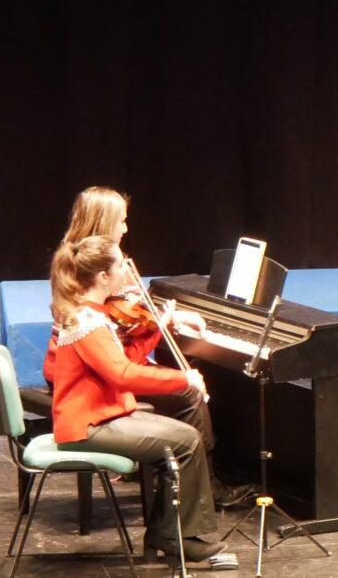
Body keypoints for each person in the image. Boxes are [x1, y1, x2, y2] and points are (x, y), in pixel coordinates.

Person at [43, 187, 252, 510]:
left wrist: (164, 320)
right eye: (122, 221)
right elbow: (121, 363)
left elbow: (127, 327)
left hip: (99, 365)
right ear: (104, 221)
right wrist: (159, 330)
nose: (126, 228)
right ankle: (196, 486)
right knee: (188, 395)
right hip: (83, 380)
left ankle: (168, 474)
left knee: (180, 390)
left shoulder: (92, 261)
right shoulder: (90, 270)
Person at [49, 235, 228, 561]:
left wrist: (157, 326)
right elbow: (122, 374)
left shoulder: (94, 314)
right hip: (88, 426)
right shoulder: (85, 322)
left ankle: (166, 533)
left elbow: (126, 359)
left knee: (186, 438)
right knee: (187, 442)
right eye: (120, 264)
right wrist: (183, 378)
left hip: (104, 414)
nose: (127, 271)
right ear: (103, 276)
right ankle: (174, 536)